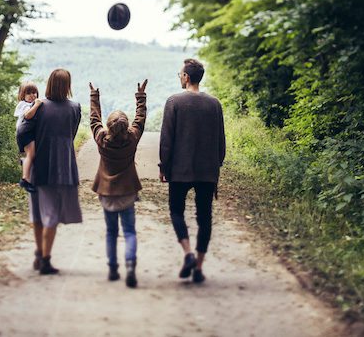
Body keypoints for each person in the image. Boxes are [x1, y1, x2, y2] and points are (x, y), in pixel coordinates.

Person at [159, 58, 225, 284]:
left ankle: (187, 253)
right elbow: (221, 142)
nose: (179, 77)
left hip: (180, 170)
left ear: (186, 77)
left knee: (176, 211)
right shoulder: (214, 104)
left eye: (180, 74)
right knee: (204, 217)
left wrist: (164, 166)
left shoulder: (174, 102)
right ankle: (198, 266)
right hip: (207, 171)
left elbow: (167, 140)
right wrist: (216, 167)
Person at [19, 68, 83, 275]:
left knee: (37, 213)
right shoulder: (74, 108)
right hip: (62, 166)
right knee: (52, 214)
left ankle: (39, 254)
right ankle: (46, 258)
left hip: (38, 164)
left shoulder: (38, 106)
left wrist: (29, 150)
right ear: (68, 86)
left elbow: (22, 129)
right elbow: (71, 135)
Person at [89, 79, 148, 288]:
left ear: (109, 126)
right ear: (126, 125)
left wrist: (94, 97)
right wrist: (140, 97)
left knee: (111, 232)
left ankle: (113, 268)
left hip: (106, 193)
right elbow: (140, 119)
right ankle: (130, 265)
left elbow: (94, 120)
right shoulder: (132, 138)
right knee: (130, 231)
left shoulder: (101, 139)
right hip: (128, 193)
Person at [14, 82, 42, 193]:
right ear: (22, 95)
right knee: (31, 154)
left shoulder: (31, 103)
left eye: (34, 92)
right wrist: (36, 105)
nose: (32, 95)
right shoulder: (23, 104)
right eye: (28, 93)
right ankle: (25, 180)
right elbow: (28, 115)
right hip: (24, 132)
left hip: (27, 132)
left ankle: (24, 161)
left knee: (31, 154)